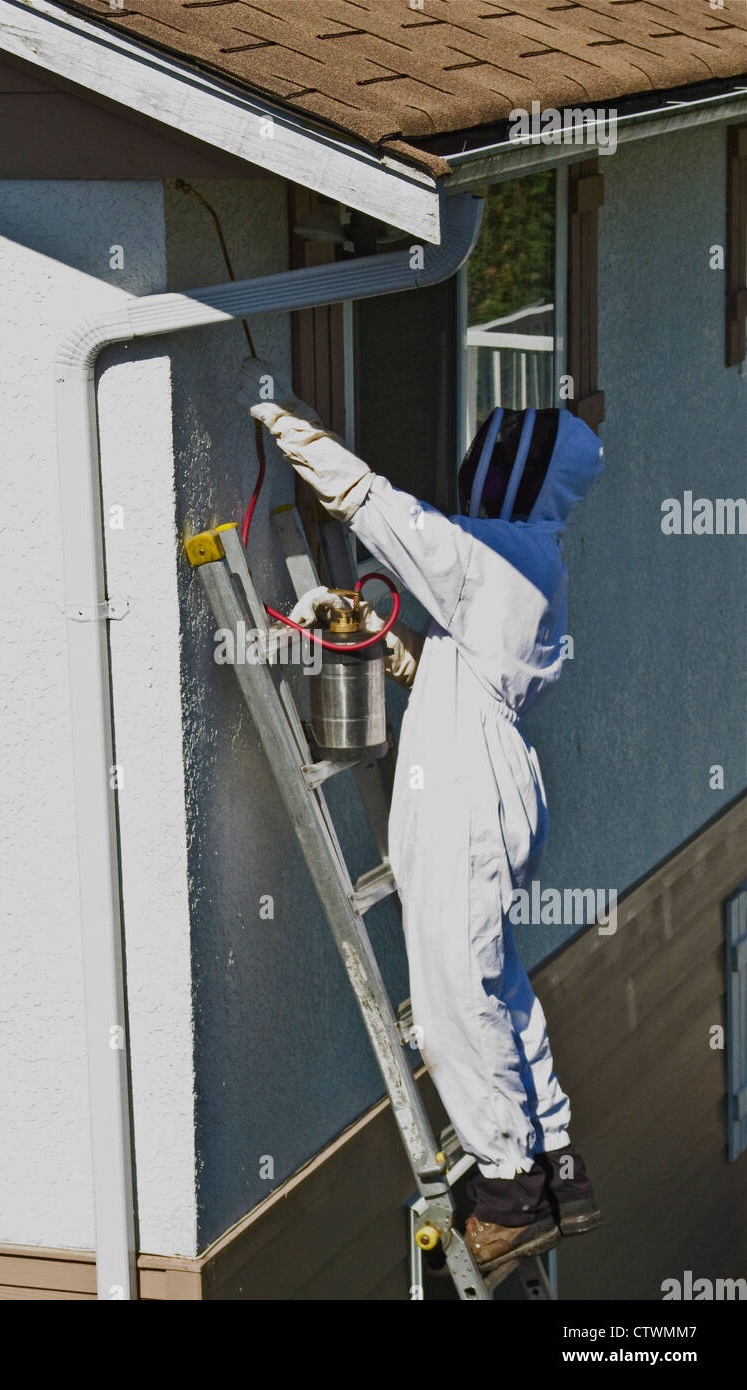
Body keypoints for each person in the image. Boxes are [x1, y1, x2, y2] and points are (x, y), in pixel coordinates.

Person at [235, 356, 604, 1272]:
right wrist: (398, 659)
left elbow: (390, 517)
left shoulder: (501, 557)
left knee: (447, 1004)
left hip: (469, 804)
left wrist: (286, 425)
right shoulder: (531, 558)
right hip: (490, 781)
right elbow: (460, 666)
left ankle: (512, 1189)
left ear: (515, 474)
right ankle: (557, 1164)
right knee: (497, 987)